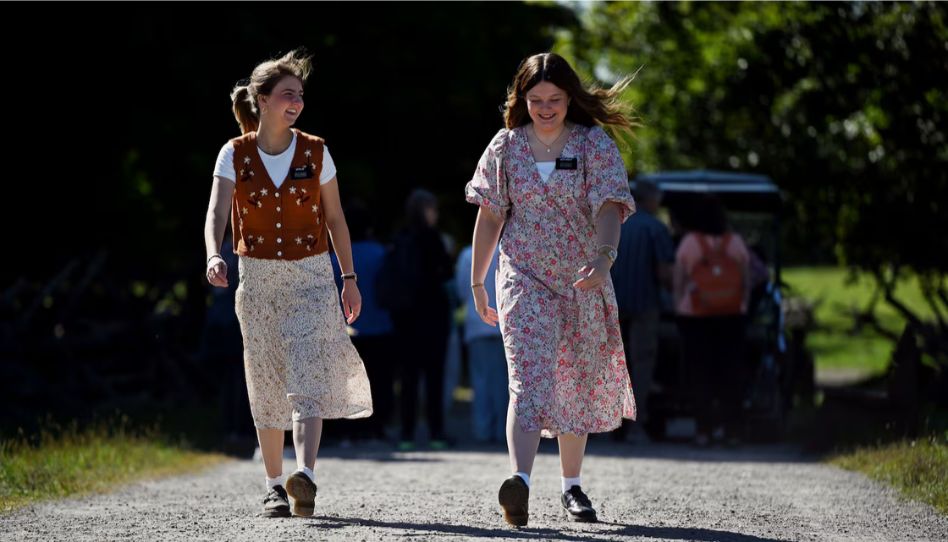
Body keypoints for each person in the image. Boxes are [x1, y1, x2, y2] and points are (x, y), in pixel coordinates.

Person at [465, 52, 637, 526]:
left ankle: (572, 486)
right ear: (521, 100)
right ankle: (518, 481)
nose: (545, 108)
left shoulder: (593, 145)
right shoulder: (505, 147)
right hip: (522, 277)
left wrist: (604, 258)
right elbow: (489, 216)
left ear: (569, 99)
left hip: (583, 277)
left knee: (573, 380)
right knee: (528, 376)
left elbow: (608, 206)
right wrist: (478, 281)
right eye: (535, 99)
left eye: (555, 100)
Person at [203, 49, 372, 518]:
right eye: (286, 95)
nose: (296, 102)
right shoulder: (233, 153)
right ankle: (274, 484)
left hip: (313, 275)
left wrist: (349, 278)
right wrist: (214, 253)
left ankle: (307, 475)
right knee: (266, 380)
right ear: (262, 100)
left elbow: (336, 218)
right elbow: (217, 212)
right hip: (255, 278)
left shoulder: (317, 150)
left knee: (309, 373)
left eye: (299, 95)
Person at [672, 194, 751, 447]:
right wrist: (743, 307)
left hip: (695, 318)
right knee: (730, 373)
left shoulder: (689, 244)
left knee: (700, 374)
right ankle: (732, 430)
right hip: (731, 316)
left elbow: (679, 283)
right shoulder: (736, 243)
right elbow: (747, 281)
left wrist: (678, 309)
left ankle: (703, 431)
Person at [381, 189, 454, 451]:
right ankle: (436, 433)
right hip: (433, 317)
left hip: (404, 319)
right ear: (426, 210)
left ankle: (407, 435)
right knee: (434, 378)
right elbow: (447, 271)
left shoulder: (399, 238)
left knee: (408, 379)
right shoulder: (432, 239)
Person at [610, 180, 674, 440]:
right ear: (652, 200)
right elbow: (664, 273)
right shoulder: (656, 228)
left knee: (611, 365)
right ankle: (636, 424)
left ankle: (609, 425)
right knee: (642, 365)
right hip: (645, 305)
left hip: (612, 305)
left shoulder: (613, 224)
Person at [330, 200, 396, 442]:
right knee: (379, 380)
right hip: (380, 326)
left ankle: (347, 429)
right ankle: (376, 426)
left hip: (343, 329)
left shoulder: (332, 258)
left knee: (345, 381)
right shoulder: (381, 254)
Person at [456, 244, 507, 443]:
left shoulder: (468, 255)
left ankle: (482, 429)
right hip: (506, 325)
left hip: (477, 325)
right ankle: (504, 430)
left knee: (481, 380)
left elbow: (462, 290)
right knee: (505, 382)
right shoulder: (510, 250)